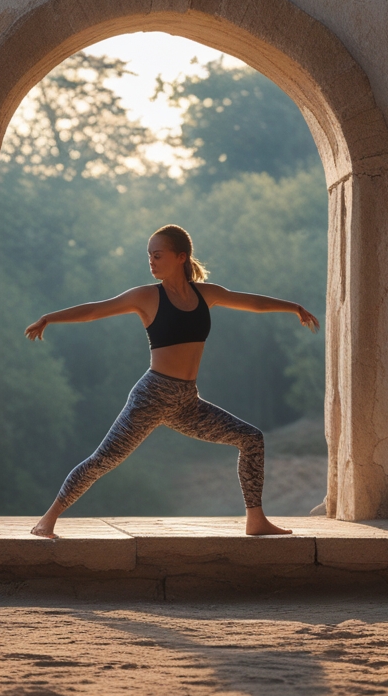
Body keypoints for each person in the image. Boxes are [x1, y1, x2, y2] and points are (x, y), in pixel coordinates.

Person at [25, 224, 320, 538]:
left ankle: (256, 520)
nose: (151, 262)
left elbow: (252, 303)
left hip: (186, 403)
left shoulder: (205, 294)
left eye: (157, 255)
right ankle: (48, 520)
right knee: (103, 460)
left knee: (251, 439)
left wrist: (294, 308)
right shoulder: (146, 296)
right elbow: (96, 310)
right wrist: (50, 318)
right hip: (152, 396)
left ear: (181, 257)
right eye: (149, 256)